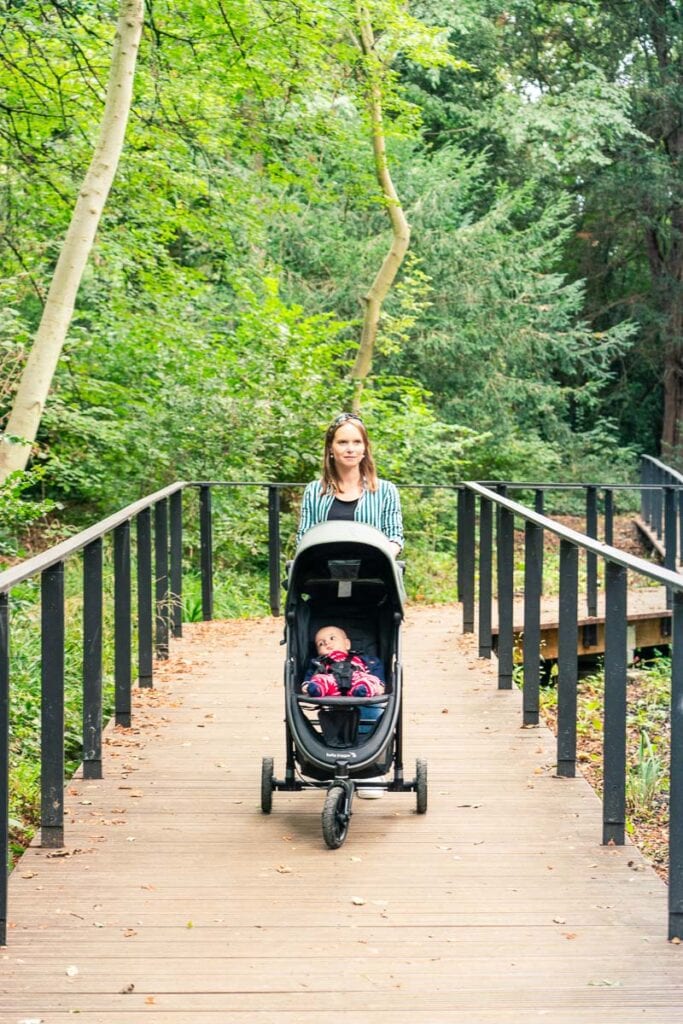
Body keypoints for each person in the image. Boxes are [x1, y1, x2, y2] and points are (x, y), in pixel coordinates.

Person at [296, 413, 403, 555]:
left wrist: (380, 558)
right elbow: (304, 539)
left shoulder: (386, 490)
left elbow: (395, 537)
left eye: (357, 442)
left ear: (365, 447)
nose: (350, 449)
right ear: (330, 448)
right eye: (342, 442)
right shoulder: (314, 490)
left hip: (372, 572)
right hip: (322, 572)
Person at [302, 625, 385, 698]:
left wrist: (380, 684)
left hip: (356, 679)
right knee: (319, 679)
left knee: (368, 679)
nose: (326, 643)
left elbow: (376, 669)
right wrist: (307, 684)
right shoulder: (319, 663)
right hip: (331, 681)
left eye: (332, 638)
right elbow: (311, 674)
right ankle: (317, 689)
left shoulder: (363, 660)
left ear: (347, 644)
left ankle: (363, 689)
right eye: (321, 644)